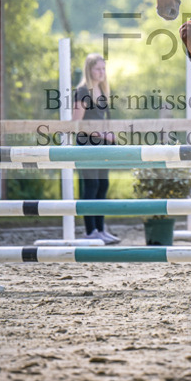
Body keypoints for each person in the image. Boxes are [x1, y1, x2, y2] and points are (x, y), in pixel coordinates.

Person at [71, 53, 119, 244]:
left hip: (102, 146)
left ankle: (100, 229)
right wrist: (102, 134)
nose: (101, 72)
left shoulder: (102, 89)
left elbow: (103, 120)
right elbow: (76, 124)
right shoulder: (83, 91)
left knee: (102, 185)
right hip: (87, 145)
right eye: (98, 69)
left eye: (103, 69)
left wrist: (109, 134)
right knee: (91, 186)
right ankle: (90, 231)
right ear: (89, 70)